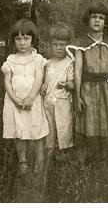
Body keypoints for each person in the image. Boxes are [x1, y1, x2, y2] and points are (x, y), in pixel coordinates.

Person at [66, 2, 108, 164]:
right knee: (88, 121)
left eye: (101, 18)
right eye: (94, 17)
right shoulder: (80, 43)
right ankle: (85, 157)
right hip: (89, 88)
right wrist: (77, 95)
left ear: (105, 21)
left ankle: (106, 155)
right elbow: (78, 70)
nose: (97, 21)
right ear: (88, 19)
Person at [1, 18, 49, 175]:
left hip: (33, 100)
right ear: (14, 40)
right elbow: (7, 81)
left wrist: (30, 97)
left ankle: (40, 161)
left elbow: (39, 78)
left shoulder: (38, 59)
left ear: (33, 39)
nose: (22, 42)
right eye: (18, 39)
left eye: (26, 38)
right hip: (15, 101)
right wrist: (15, 99)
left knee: (37, 129)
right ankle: (23, 161)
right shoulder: (10, 60)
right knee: (19, 130)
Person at [40, 23, 74, 164]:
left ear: (68, 44)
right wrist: (42, 87)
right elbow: (43, 81)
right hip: (48, 102)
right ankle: (50, 150)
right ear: (50, 45)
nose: (59, 48)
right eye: (55, 44)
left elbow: (73, 83)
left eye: (62, 44)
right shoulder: (47, 63)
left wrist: (66, 84)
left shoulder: (70, 63)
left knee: (64, 125)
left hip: (63, 102)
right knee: (50, 125)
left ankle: (64, 151)